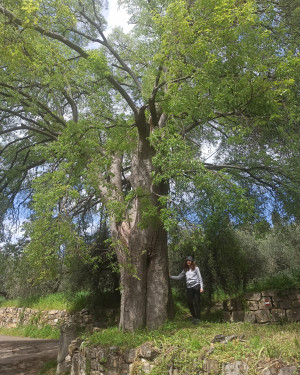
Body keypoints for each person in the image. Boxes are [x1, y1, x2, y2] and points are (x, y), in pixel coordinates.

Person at [170, 256, 204, 324]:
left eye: (189, 260)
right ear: (186, 262)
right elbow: (179, 277)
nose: (188, 262)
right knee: (189, 302)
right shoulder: (185, 269)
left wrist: (201, 287)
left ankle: (198, 318)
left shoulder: (196, 268)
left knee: (197, 303)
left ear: (192, 261)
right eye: (187, 261)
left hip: (196, 286)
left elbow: (200, 278)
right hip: (189, 288)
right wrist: (170, 276)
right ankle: (194, 317)